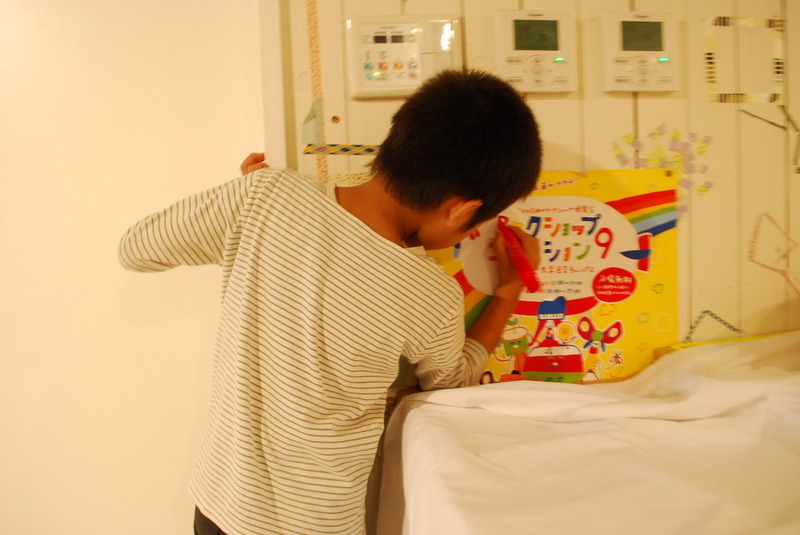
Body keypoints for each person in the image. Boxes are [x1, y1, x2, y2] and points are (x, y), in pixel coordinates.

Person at [118, 69, 541, 535]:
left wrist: (245, 208)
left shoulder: (264, 195)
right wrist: (508, 293)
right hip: (317, 523)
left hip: (221, 507)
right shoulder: (431, 294)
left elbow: (136, 248)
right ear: (461, 208)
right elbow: (451, 383)